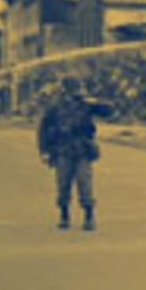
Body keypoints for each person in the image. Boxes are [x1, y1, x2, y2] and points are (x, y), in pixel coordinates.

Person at [37, 75, 112, 231]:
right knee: (63, 184)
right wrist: (44, 151)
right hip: (63, 149)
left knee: (85, 183)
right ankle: (64, 215)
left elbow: (108, 111)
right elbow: (43, 129)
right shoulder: (55, 106)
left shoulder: (85, 104)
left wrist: (95, 102)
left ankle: (89, 216)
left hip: (82, 148)